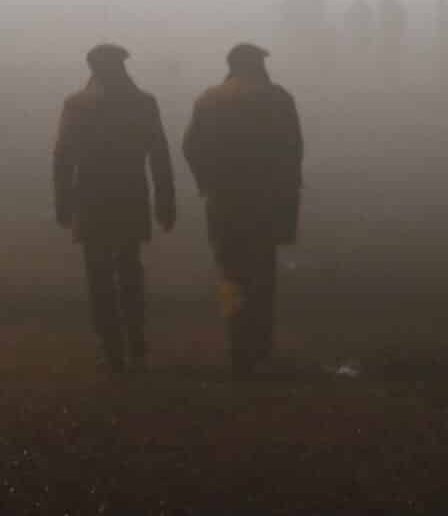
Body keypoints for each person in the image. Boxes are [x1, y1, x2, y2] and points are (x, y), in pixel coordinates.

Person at [52, 43, 177, 373]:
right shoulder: (142, 104)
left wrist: (63, 201)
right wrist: (165, 200)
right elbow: (159, 155)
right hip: (130, 196)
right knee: (129, 269)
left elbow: (63, 157)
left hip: (91, 198)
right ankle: (135, 342)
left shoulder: (77, 105)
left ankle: (111, 348)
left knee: (99, 274)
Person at [182, 43, 303, 376]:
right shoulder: (278, 99)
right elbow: (293, 153)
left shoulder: (209, 99)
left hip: (224, 201)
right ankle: (261, 345)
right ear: (258, 65)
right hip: (265, 202)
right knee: (263, 274)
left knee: (230, 273)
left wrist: (207, 182)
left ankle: (237, 345)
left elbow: (190, 147)